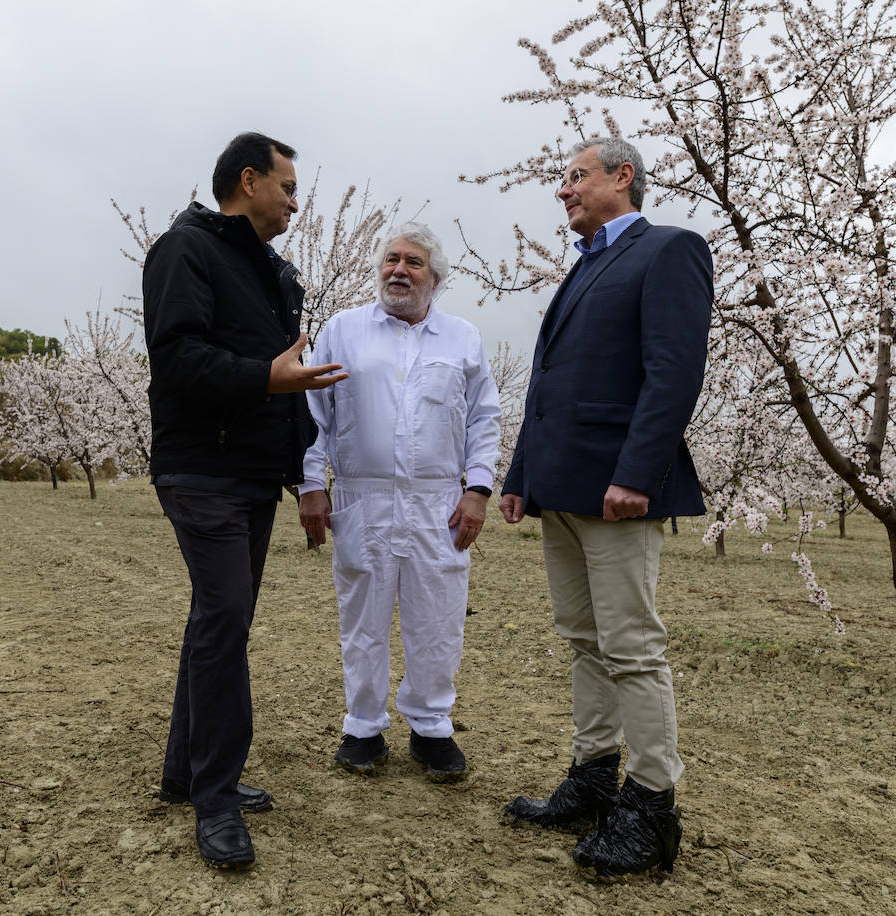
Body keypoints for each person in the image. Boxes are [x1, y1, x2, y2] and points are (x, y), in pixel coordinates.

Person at [498, 137, 712, 878]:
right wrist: (520, 473)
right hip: (559, 488)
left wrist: (637, 474)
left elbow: (674, 372)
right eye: (563, 179)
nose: (564, 190)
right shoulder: (583, 268)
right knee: (583, 640)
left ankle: (652, 806)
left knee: (632, 647)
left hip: (618, 492)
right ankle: (592, 779)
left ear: (623, 177)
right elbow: (547, 383)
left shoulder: (671, 251)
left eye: (576, 176)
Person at [143, 131, 346, 870]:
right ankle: (217, 798)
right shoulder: (184, 250)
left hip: (254, 475)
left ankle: (185, 773)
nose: (297, 200)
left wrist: (307, 480)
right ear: (250, 180)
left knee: (218, 620)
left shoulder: (275, 274)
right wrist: (265, 379)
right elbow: (178, 357)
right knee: (225, 618)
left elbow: (285, 376)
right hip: (200, 471)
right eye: (289, 187)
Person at [298, 222, 501, 783]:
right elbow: (315, 415)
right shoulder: (343, 332)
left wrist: (478, 488)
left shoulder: (462, 338)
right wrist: (311, 485)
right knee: (362, 615)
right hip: (363, 497)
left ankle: (432, 728)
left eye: (413, 262)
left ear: (434, 278)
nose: (399, 270)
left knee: (437, 616)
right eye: (391, 259)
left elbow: (485, 417)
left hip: (440, 501)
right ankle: (362, 726)